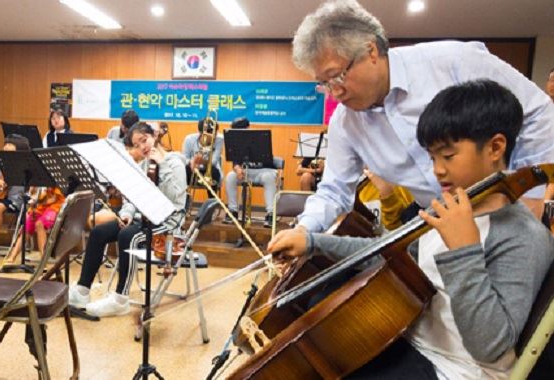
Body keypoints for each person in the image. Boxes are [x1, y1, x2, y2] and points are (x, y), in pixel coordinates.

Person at [269, 79, 554, 378]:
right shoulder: (443, 209)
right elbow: (383, 252)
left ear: (495, 147)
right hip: (411, 343)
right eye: (432, 157)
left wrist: (463, 250)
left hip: (458, 370)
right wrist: (312, 241)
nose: (437, 170)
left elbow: (489, 347)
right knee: (322, 327)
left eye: (448, 156)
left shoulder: (523, 236)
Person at [273, 0, 554, 249]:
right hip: (436, 228)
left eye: (337, 77)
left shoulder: (452, 62)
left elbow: (539, 113)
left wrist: (530, 195)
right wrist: (303, 229)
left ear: (370, 51)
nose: (334, 92)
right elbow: (334, 191)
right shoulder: (345, 124)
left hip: (505, 216)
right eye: (324, 83)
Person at [69, 122, 187, 317]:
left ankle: (120, 299)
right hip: (144, 218)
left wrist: (162, 165)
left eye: (144, 140)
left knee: (127, 236)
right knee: (99, 232)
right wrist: (127, 214)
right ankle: (82, 290)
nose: (143, 146)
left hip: (167, 223)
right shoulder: (143, 165)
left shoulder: (175, 162)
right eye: (137, 144)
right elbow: (134, 197)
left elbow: (174, 199)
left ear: (154, 137)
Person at [223, 117, 278, 228]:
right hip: (245, 172)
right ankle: (232, 211)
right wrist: (237, 168)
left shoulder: (260, 138)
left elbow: (268, 159)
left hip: (263, 172)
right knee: (230, 177)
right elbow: (235, 162)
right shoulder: (235, 142)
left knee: (268, 177)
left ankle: (271, 213)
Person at [5, 186, 65, 263]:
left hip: (55, 207)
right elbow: (32, 195)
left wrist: (36, 201)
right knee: (26, 228)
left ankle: (43, 259)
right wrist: (32, 192)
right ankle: (12, 256)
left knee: (39, 224)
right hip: (40, 207)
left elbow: (52, 199)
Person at [182, 117, 224, 197]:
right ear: (201, 133)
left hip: (209, 170)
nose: (213, 136)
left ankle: (212, 203)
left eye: (215, 132)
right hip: (193, 169)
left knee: (214, 172)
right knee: (182, 170)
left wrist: (202, 161)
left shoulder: (219, 139)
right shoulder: (189, 139)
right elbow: (184, 158)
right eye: (210, 133)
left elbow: (214, 161)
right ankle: (183, 202)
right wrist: (192, 161)